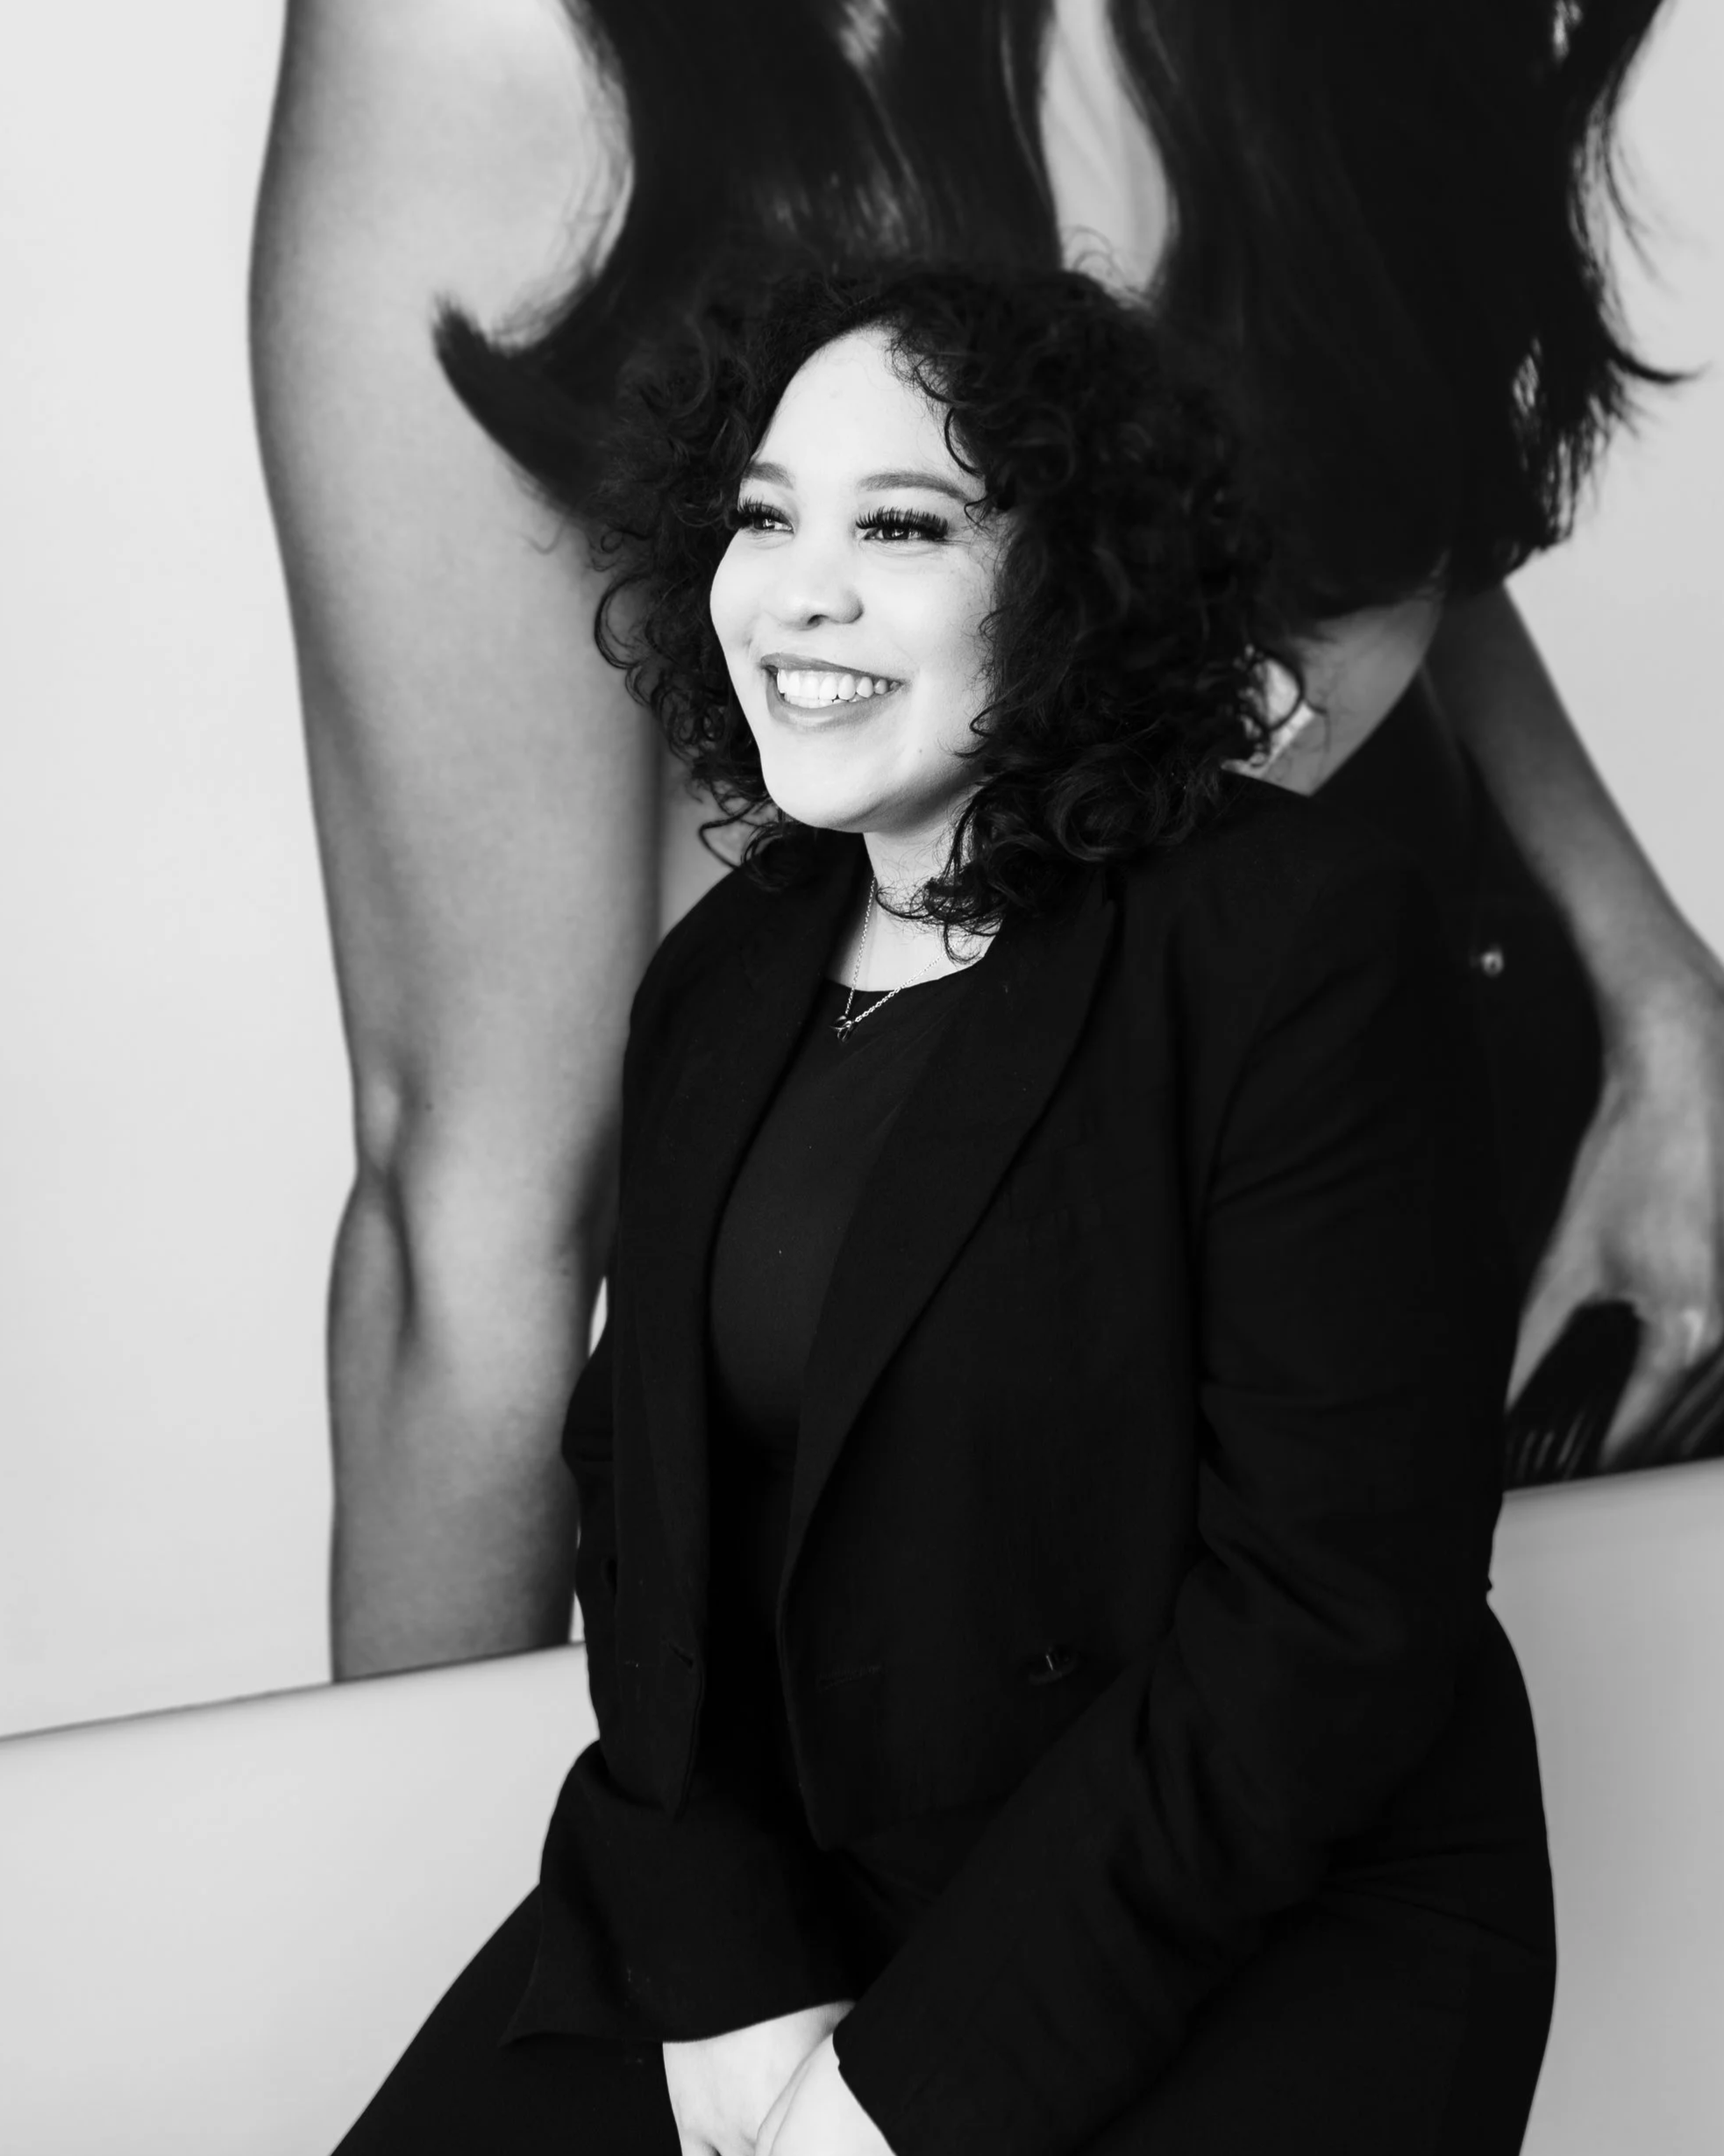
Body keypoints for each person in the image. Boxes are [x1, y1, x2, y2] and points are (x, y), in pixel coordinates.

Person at [251, 0, 1722, 1688]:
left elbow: (1330, 470)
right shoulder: (487, 47)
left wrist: (1657, 992)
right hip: (933, 1331)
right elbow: (475, 1204)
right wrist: (425, 1888)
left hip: (1489, 1182)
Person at [332, 262, 1557, 2155]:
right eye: (760, 517)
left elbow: (1326, 1615)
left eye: (900, 524)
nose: (798, 589)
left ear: (1077, 581)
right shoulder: (725, 967)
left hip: (1245, 1906)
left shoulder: (1294, 940)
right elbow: (646, 1517)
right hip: (803, 1878)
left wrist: (902, 2101)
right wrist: (734, 1978)